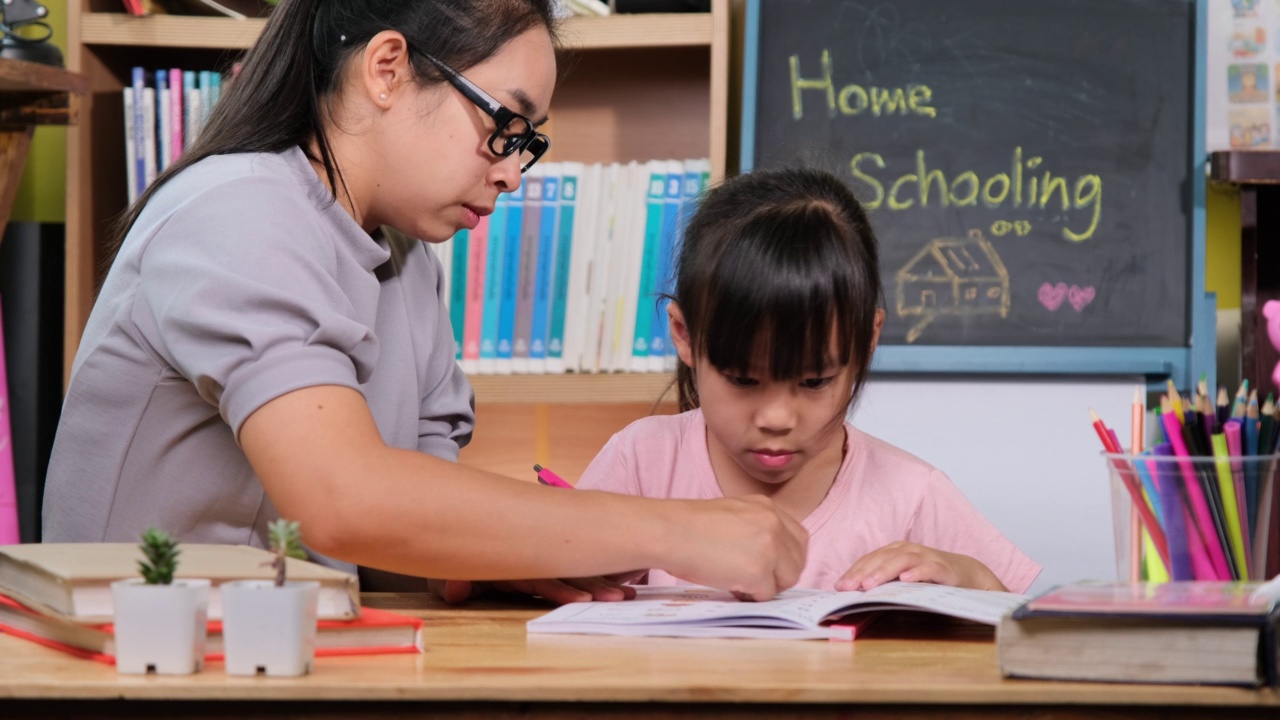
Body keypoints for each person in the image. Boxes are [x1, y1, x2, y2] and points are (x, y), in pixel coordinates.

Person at [41, 0, 808, 603]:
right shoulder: (236, 212)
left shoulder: (404, 258)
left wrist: (492, 561)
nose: (513, 174)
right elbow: (344, 501)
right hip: (142, 673)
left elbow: (398, 541)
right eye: (506, 125)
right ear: (387, 68)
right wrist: (678, 529)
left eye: (528, 142)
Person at [575, 167, 1041, 593]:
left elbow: (1021, 624)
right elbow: (558, 588)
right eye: (743, 379)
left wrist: (970, 577)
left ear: (866, 341)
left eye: (814, 382)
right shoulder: (641, 461)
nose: (777, 418)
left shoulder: (912, 495)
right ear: (685, 335)